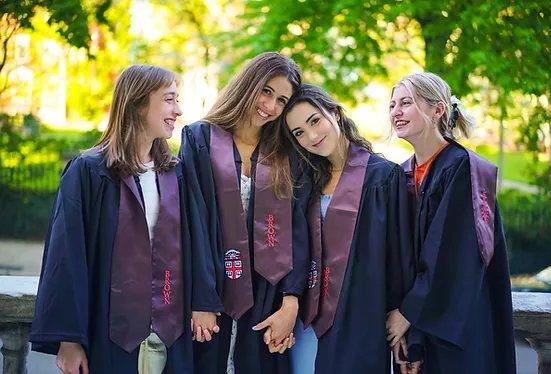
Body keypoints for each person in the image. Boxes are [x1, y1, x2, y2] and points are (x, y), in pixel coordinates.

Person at [30, 65, 221, 373]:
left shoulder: (176, 174)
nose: (178, 110)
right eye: (169, 100)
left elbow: (198, 243)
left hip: (170, 330)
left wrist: (205, 302)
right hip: (109, 330)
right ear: (138, 103)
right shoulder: (89, 172)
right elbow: (65, 257)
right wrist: (69, 341)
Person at [178, 52, 311, 373]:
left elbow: (299, 230)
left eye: (282, 100)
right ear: (248, 83)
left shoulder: (287, 152)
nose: (271, 106)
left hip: (268, 295)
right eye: (266, 91)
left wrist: (290, 301)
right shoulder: (200, 139)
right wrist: (202, 300)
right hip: (213, 291)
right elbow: (192, 223)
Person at [277, 83, 416, 373]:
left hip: (358, 318)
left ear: (336, 114)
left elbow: (400, 257)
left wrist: (405, 320)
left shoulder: (382, 177)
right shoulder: (305, 182)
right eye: (299, 132)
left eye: (315, 121)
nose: (311, 136)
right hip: (307, 323)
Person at [386, 72, 516, 374]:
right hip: (420, 329)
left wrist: (407, 314)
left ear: (438, 109)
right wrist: (410, 335)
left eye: (406, 103)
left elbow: (451, 256)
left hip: (457, 328)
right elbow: (404, 260)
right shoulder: (403, 174)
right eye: (392, 105)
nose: (395, 112)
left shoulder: (465, 170)